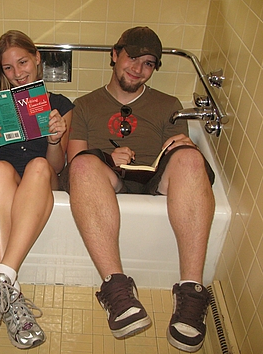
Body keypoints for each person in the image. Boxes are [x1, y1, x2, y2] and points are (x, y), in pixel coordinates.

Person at [59, 27, 215, 353]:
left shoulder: (169, 103)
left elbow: (178, 155)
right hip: (107, 178)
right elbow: (74, 159)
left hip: (155, 179)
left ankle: (191, 290)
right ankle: (116, 289)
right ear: (115, 55)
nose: (138, 69)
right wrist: (107, 158)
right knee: (84, 165)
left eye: (148, 63)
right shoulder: (86, 105)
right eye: (132, 57)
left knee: (189, 158)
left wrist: (183, 145)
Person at [0, 30, 74, 349]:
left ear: (37, 58)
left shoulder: (60, 105)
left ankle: (1, 283)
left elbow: (55, 166)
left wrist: (55, 139)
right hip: (4, 176)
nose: (17, 73)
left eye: (23, 62)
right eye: (8, 68)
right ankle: (10, 296)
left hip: (42, 180)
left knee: (39, 165)